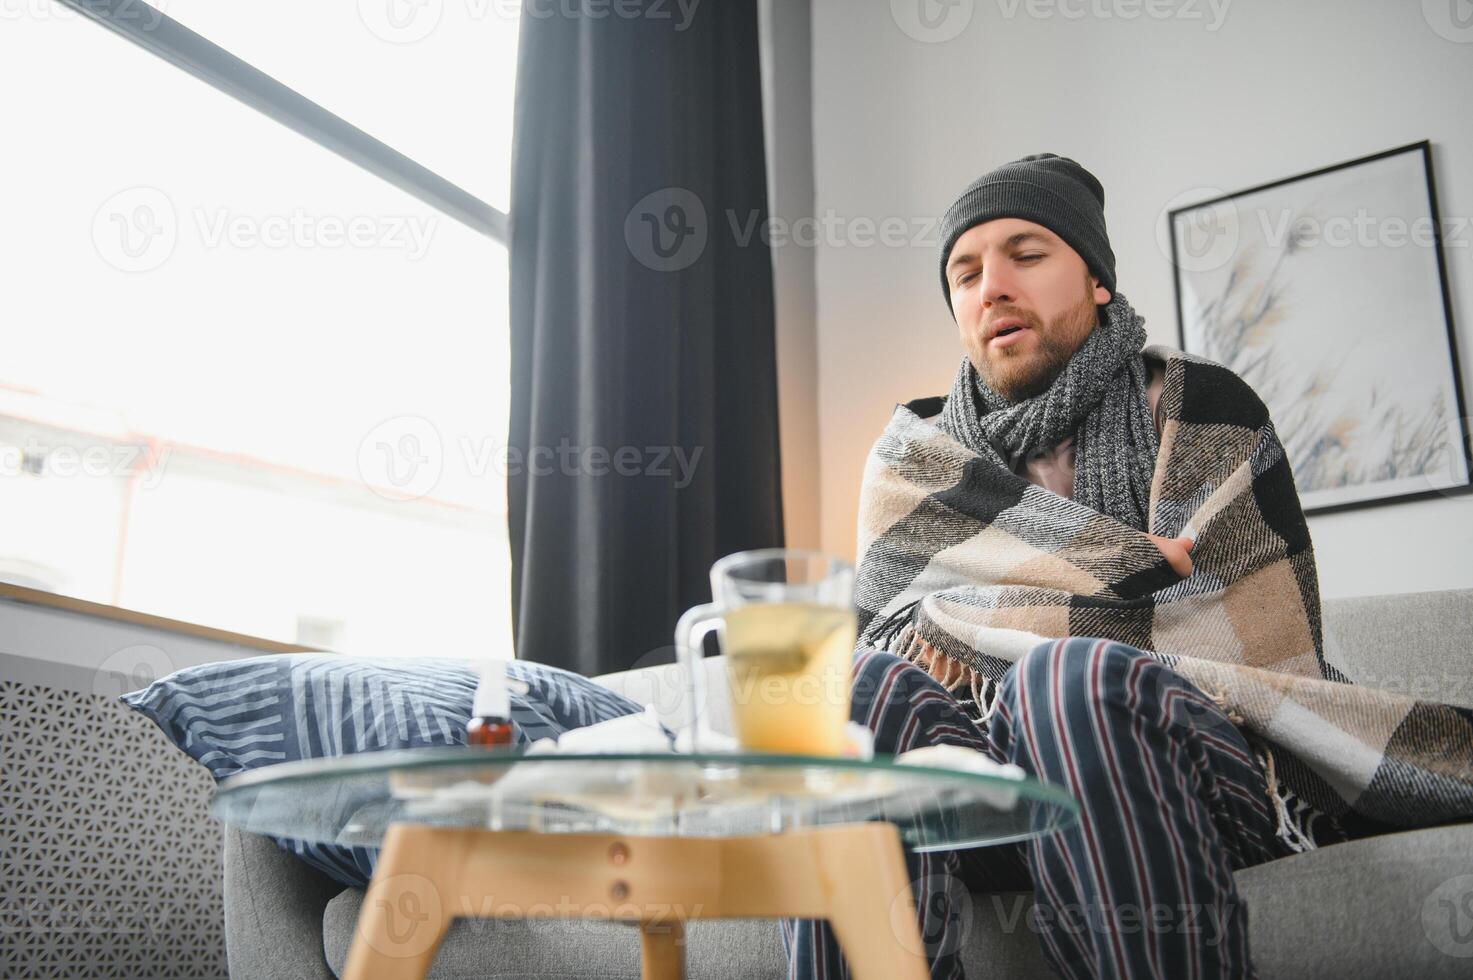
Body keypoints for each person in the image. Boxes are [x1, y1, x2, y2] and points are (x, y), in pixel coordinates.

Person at [780, 153, 1332, 979]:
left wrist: (973, 625)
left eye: (1026, 255)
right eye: (964, 274)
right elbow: (883, 641)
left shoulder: (1199, 407)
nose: (990, 286)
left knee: (1066, 682)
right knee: (859, 697)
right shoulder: (915, 456)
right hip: (983, 796)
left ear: (1097, 281)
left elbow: (1243, 639)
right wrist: (1119, 577)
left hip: (1195, 770)